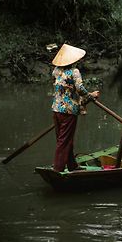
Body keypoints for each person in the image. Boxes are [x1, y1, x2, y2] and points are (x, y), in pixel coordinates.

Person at [50, 43, 100, 172]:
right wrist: (91, 95)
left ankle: (72, 165)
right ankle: (58, 169)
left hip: (56, 109)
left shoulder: (56, 70)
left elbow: (61, 88)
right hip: (68, 111)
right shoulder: (74, 72)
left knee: (64, 139)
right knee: (64, 140)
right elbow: (80, 89)